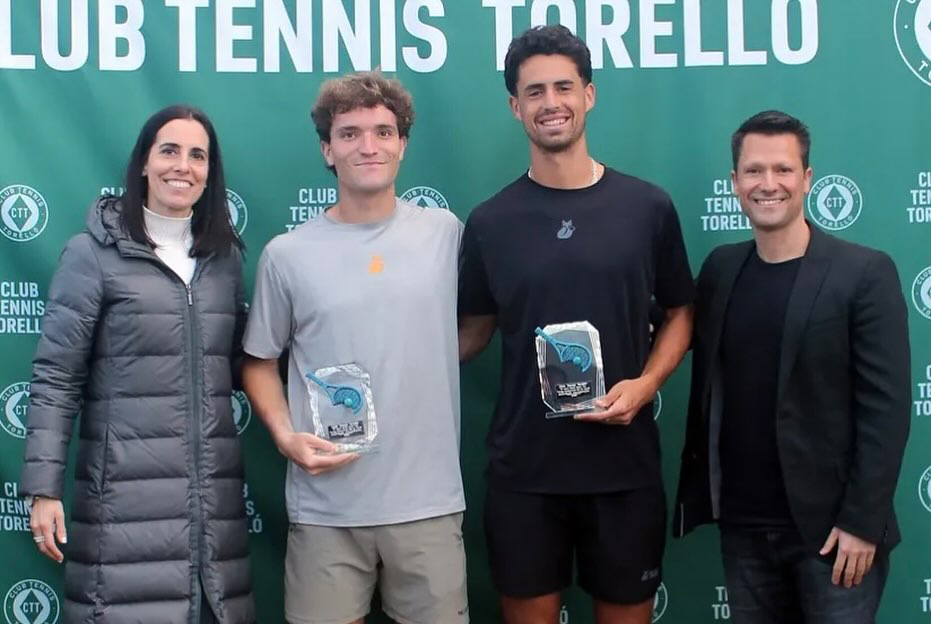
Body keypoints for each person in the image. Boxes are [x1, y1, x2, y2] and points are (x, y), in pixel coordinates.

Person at [458, 25, 695, 624]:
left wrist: (645, 387)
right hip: (525, 474)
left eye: (564, 86)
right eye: (534, 92)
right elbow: (472, 332)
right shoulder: (490, 222)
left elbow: (679, 313)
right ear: (516, 107)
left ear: (589, 95)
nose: (550, 102)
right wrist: (384, 359)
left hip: (623, 468)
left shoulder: (647, 207)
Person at [241, 72, 468, 624]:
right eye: (350, 134)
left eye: (383, 132)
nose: (368, 146)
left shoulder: (446, 234)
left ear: (403, 144)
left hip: (428, 506)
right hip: (326, 507)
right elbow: (259, 362)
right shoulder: (286, 254)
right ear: (327, 149)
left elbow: (480, 323)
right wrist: (284, 434)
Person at [673, 110, 911, 624]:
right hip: (743, 529)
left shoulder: (864, 273)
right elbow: (666, 330)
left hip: (834, 537)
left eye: (782, 170)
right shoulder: (720, 269)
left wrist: (862, 523)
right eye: (754, 171)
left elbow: (886, 412)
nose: (768, 184)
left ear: (807, 179)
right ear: (734, 182)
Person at [20, 105, 254, 624]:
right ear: (143, 164)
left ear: (210, 173)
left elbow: (242, 364)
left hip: (214, 515)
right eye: (169, 150)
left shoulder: (224, 260)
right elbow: (57, 378)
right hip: (122, 509)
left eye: (198, 155)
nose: (183, 166)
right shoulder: (93, 254)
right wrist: (43, 489)